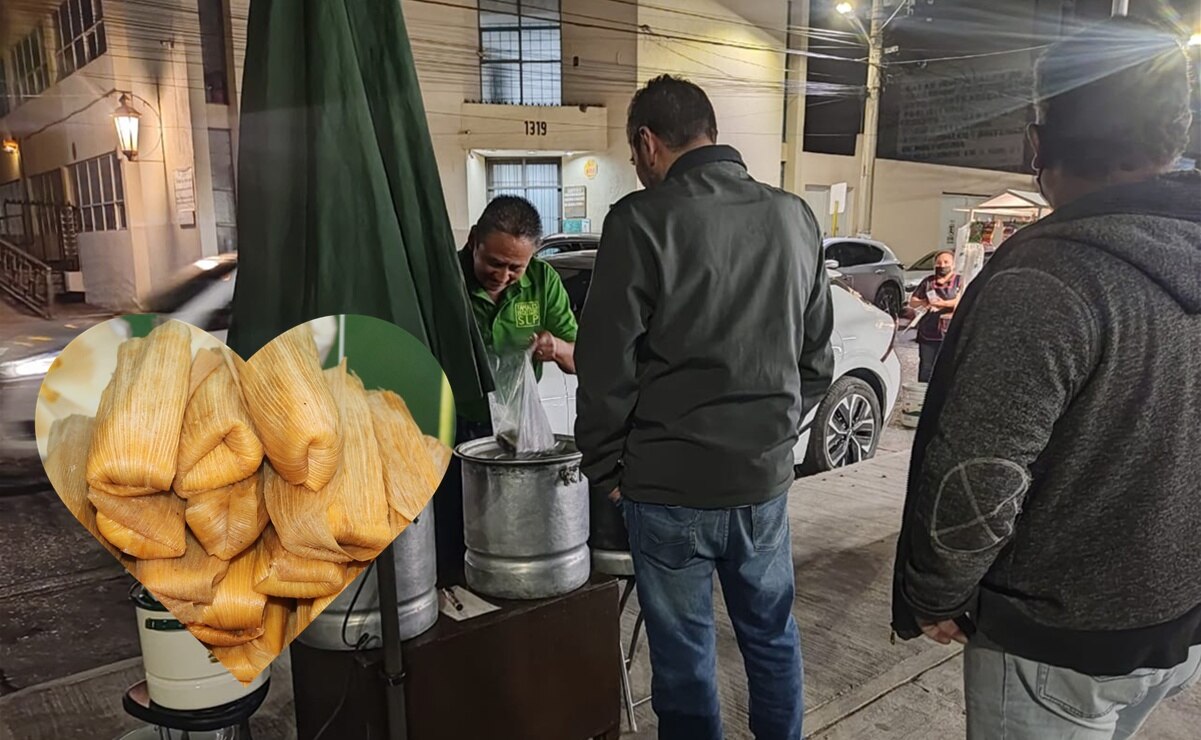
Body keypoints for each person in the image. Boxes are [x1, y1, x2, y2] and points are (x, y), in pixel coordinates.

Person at [892, 17, 1201, 739]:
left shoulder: (1050, 276)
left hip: (1053, 645)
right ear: (1175, 133)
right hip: (1173, 626)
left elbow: (980, 471)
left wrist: (934, 590)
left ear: (1038, 143)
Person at [575, 75, 834, 740]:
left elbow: (606, 367)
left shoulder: (639, 220)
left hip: (665, 488)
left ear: (647, 142)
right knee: (771, 638)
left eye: (637, 157)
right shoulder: (792, 215)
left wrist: (607, 469)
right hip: (761, 486)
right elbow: (816, 360)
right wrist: (772, 441)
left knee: (684, 659)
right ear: (710, 133)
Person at [433, 194, 579, 585]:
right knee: (450, 538)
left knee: (512, 537)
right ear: (474, 240)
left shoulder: (544, 282)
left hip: (513, 435)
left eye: (516, 267)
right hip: (445, 433)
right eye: (493, 263)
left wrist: (556, 346)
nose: (502, 276)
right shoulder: (443, 281)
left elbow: (578, 356)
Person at [908, 250, 962, 382]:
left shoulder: (959, 281)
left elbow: (961, 300)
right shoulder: (928, 282)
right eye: (939, 263)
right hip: (928, 331)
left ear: (953, 264)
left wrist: (942, 303)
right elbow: (913, 301)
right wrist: (925, 302)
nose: (942, 265)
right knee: (926, 367)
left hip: (949, 333)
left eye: (946, 262)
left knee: (946, 369)